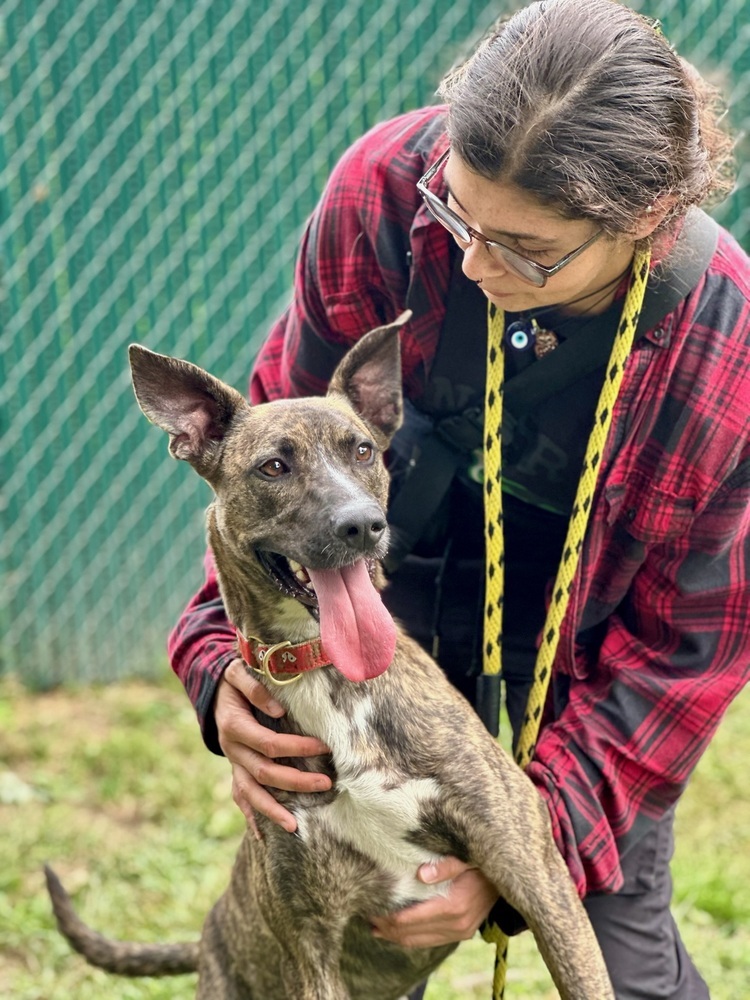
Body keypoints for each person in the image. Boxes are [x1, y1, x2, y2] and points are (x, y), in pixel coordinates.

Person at [168, 1, 749, 996]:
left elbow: (679, 657)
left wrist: (531, 837)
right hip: (374, 600)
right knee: (355, 945)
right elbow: (270, 466)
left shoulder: (724, 352)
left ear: (648, 221)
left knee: (629, 972)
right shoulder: (382, 191)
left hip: (584, 667)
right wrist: (220, 666)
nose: (474, 263)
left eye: (523, 249)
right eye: (458, 216)